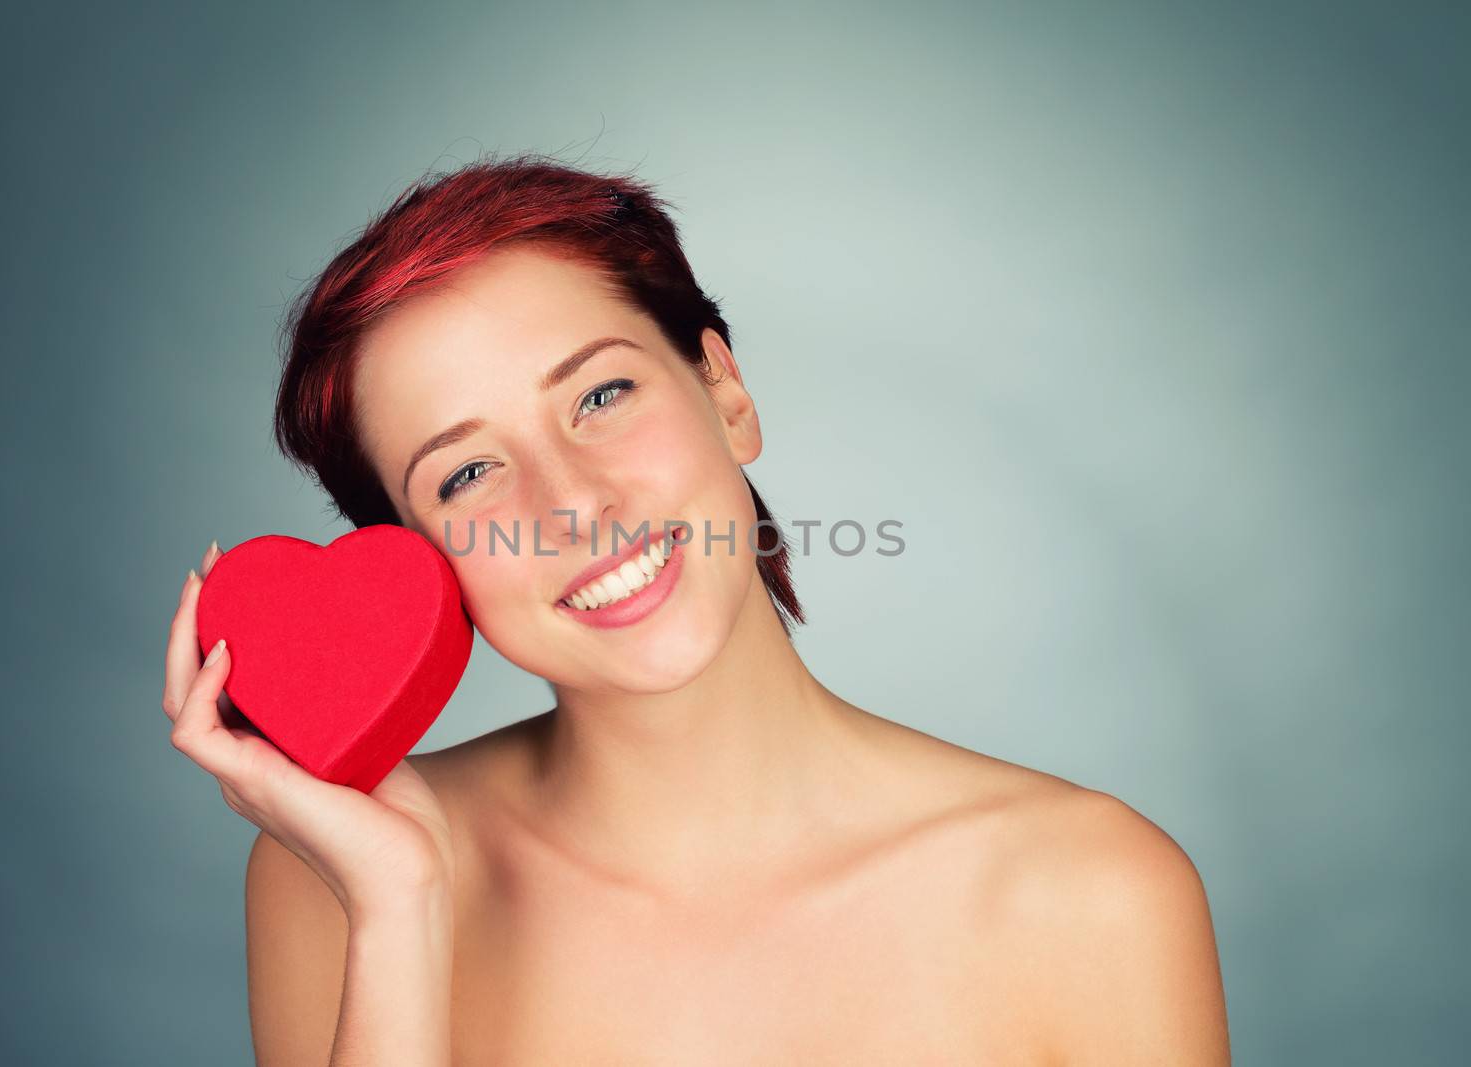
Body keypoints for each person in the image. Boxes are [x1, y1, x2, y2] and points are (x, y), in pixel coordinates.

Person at [162, 154, 1232, 1065]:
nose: (575, 502)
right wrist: (399, 909)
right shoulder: (338, 878)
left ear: (725, 391)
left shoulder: (1090, 892)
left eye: (600, 395)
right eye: (467, 474)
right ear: (411, 556)